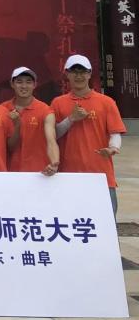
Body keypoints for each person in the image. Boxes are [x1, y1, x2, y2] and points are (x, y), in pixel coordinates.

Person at [52, 54, 126, 214]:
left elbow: (115, 132)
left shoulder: (106, 102)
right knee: (71, 220)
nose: (78, 76)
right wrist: (71, 119)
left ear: (90, 74)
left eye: (82, 72)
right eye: (74, 72)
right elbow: (54, 135)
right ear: (67, 74)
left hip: (101, 174)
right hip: (68, 174)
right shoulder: (58, 103)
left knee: (105, 220)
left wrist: (113, 148)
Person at [1, 66, 59, 175]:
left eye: (28, 82)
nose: (24, 86)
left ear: (35, 85)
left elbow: (51, 140)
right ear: (12, 84)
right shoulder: (2, 109)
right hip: (10, 174)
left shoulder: (45, 110)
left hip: (39, 174)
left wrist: (54, 163)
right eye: (19, 82)